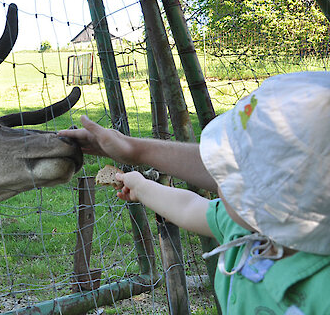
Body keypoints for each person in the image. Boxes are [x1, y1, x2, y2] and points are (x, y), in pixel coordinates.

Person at [58, 72, 330, 314]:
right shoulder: (247, 228)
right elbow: (188, 207)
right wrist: (140, 186)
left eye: (230, 173)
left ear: (268, 202)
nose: (217, 176)